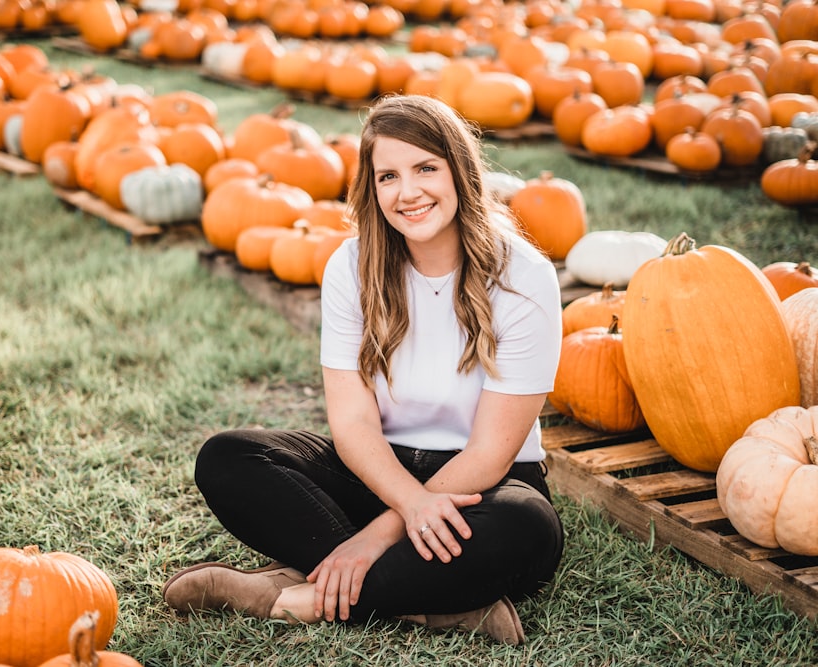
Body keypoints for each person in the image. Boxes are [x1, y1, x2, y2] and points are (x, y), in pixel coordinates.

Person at [162, 94, 565, 645]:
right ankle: (438, 606)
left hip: (485, 487)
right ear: (371, 189)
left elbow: (490, 453)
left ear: (460, 171)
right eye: (388, 176)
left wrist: (375, 536)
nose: (409, 192)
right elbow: (352, 426)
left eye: (426, 168)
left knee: (528, 529)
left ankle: (289, 595)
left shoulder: (524, 277)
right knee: (229, 458)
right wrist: (402, 505)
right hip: (379, 470)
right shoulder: (350, 267)